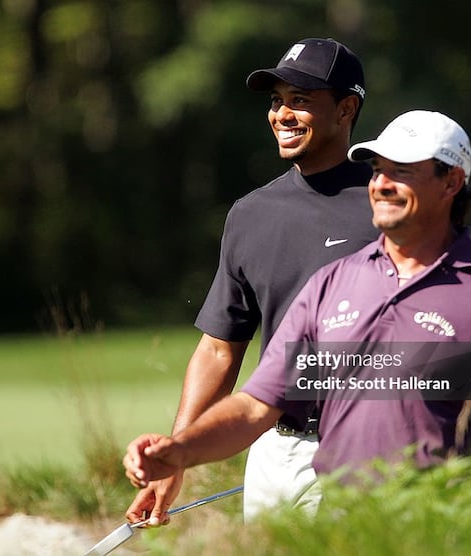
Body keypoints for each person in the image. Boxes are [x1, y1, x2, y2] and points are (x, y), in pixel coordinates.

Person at [123, 110, 471, 498]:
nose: (381, 185)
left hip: (444, 534)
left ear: (451, 182)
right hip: (338, 528)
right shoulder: (332, 284)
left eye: (403, 172)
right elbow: (256, 407)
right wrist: (178, 451)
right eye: (377, 170)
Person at [125, 38, 378, 525]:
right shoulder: (251, 215)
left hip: (366, 453)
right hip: (273, 456)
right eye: (276, 101)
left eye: (300, 101)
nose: (282, 114)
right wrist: (175, 456)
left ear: (347, 108)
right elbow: (220, 349)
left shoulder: (387, 205)